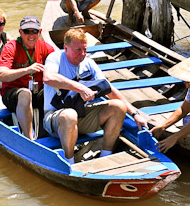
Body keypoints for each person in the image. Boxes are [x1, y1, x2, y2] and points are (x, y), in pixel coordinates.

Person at [43, 28, 148, 164]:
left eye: (85, 49)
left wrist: (134, 114)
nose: (82, 54)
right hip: (56, 119)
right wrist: (80, 88)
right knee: (69, 115)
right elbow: (48, 78)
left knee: (118, 107)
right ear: (66, 48)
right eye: (78, 50)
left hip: (82, 114)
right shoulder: (55, 58)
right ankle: (69, 161)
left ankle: (105, 157)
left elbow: (110, 89)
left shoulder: (88, 63)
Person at [0, 15, 55, 140]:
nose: (31, 35)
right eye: (26, 31)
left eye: (34, 31)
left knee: (56, 90)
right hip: (13, 94)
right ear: (20, 32)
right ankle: (29, 139)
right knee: (25, 94)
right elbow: (2, 75)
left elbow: (60, 62)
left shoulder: (44, 46)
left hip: (36, 92)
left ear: (39, 32)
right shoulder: (10, 47)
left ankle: (54, 128)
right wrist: (27, 70)